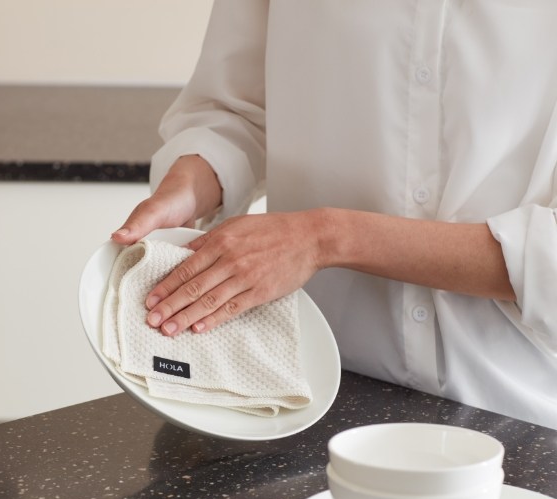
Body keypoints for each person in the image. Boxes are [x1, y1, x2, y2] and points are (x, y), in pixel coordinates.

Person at [112, 1, 557, 429]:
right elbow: (237, 111)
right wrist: (187, 187)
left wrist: (325, 238)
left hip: (515, 409)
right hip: (310, 386)